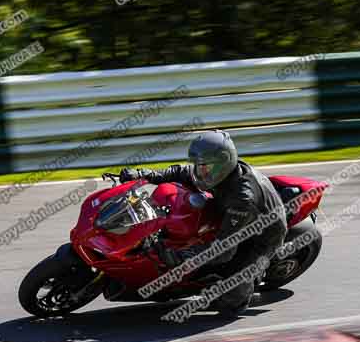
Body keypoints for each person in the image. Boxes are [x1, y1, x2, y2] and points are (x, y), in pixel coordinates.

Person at [119, 129, 287, 315]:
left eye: (205, 167)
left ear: (223, 162)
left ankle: (243, 293)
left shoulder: (243, 199)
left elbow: (223, 251)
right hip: (229, 216)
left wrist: (181, 256)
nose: (199, 171)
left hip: (263, 235)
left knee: (230, 295)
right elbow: (182, 171)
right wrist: (144, 175)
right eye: (199, 166)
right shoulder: (216, 172)